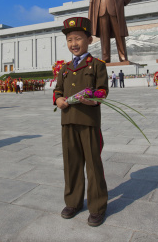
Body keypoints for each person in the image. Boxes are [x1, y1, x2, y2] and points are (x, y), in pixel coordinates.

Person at [53, 17, 109, 227]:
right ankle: (73, 202)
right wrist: (58, 99)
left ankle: (97, 207)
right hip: (67, 122)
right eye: (69, 39)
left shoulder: (96, 65)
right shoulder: (64, 68)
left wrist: (92, 99)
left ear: (90, 39)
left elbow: (103, 90)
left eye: (78, 38)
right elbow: (57, 90)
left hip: (88, 121)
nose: (73, 44)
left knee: (93, 165)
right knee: (72, 164)